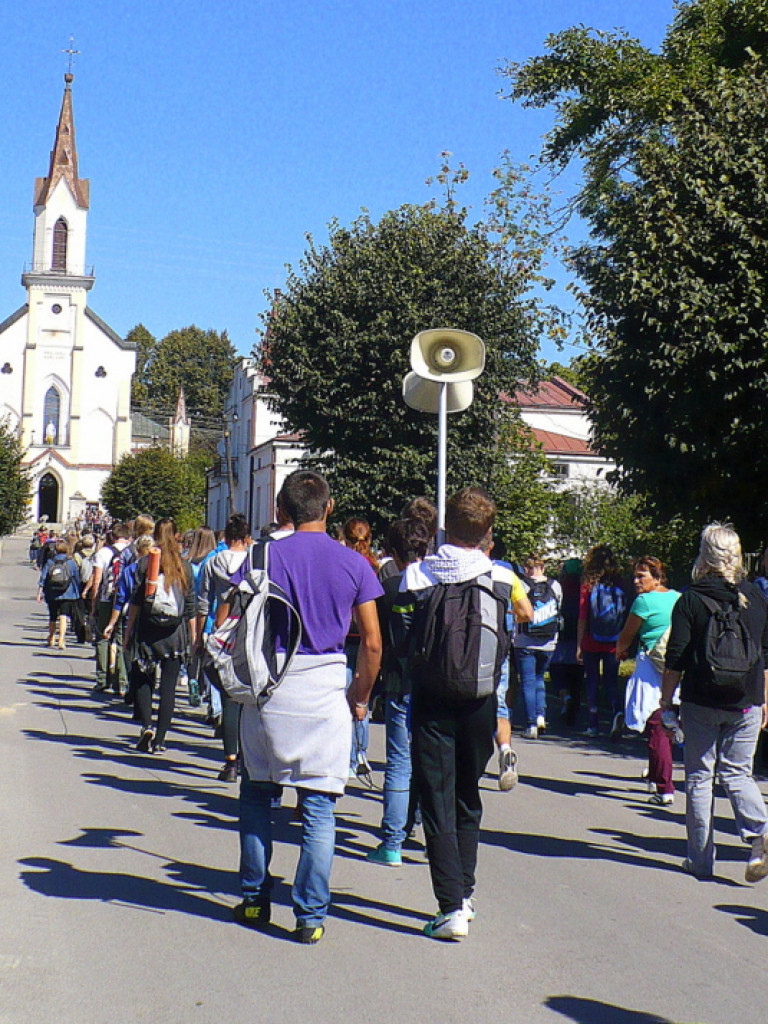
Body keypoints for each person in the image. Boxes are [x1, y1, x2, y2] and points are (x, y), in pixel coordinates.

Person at [234, 470, 382, 943]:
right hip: (324, 688)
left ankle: (256, 899)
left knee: (258, 794)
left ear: (281, 511)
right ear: (330, 507)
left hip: (270, 685)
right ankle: (310, 916)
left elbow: (235, 617)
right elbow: (373, 644)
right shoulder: (355, 564)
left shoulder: (263, 556)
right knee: (319, 808)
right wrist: (358, 696)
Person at [395, 487, 514, 941]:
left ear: (446, 524)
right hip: (481, 699)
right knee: (468, 796)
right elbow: (506, 638)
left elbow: (402, 642)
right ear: (486, 532)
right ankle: (465, 892)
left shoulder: (418, 576)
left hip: (431, 701)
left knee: (436, 801)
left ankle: (450, 907)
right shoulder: (500, 578)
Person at [660, 523, 768, 881]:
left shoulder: (690, 599)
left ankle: (701, 860)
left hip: (701, 700)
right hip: (747, 700)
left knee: (700, 777)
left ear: (704, 555)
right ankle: (759, 835)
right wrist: (764, 698)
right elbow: (764, 654)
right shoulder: (755, 596)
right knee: (738, 771)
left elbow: (676, 657)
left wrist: (665, 702)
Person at [366, 517, 430, 866]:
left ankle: (392, 842)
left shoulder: (388, 587)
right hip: (434, 684)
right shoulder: (438, 585)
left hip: (397, 680)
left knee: (399, 762)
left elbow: (377, 642)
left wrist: (367, 689)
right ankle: (424, 828)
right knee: (430, 759)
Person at [123, 518, 197, 754]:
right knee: (168, 688)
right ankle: (161, 739)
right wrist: (194, 637)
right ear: (176, 536)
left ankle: (147, 725)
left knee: (145, 679)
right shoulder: (183, 566)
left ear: (155, 535)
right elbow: (190, 605)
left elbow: (135, 600)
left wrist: (127, 633)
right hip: (174, 633)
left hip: (147, 628)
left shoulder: (146, 562)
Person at [615, 557, 681, 805]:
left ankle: (665, 787)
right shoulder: (677, 597)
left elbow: (627, 635)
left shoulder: (643, 602)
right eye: (635, 576)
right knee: (667, 724)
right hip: (674, 669)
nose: (636, 581)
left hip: (651, 669)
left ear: (657, 577)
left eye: (642, 575)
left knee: (657, 726)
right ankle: (655, 776)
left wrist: (620, 651)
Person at [196, 514, 253, 781]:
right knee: (250, 698)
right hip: (251, 632)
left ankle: (230, 761)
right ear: (246, 537)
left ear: (227, 537)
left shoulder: (213, 562)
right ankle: (248, 758)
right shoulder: (256, 562)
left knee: (230, 696)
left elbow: (203, 601)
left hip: (221, 631)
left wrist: (199, 636)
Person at [479, 534, 532, 787]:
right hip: (498, 647)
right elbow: (527, 613)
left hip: (467, 648)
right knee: (499, 704)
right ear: (491, 547)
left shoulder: (458, 570)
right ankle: (505, 750)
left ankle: (473, 762)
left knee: (472, 703)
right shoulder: (506, 575)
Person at [341, 517, 380, 780]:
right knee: (361, 696)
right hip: (366, 636)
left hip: (346, 637)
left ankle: (348, 754)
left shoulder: (342, 563)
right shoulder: (374, 567)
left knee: (345, 697)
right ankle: (361, 753)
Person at [577, 544, 629, 738]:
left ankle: (593, 724)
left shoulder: (588, 584)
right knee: (611, 681)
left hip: (591, 639)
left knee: (591, 680)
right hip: (613, 641)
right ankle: (616, 712)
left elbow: (583, 617)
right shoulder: (620, 583)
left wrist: (579, 644)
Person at [515, 553, 562, 739]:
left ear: (526, 568)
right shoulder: (555, 586)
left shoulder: (522, 585)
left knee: (527, 681)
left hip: (525, 640)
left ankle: (531, 724)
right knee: (539, 678)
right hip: (549, 641)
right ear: (543, 567)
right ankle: (541, 714)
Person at [87, 523, 131, 695]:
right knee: (121, 640)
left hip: (107, 599)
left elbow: (97, 580)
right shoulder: (131, 552)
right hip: (126, 601)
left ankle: (102, 679)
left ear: (112, 536)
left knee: (103, 638)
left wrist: (93, 603)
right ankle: (122, 681)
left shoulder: (103, 553)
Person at [549, 558, 584, 727]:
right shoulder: (585, 588)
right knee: (576, 674)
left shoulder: (559, 586)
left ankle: (564, 697)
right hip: (579, 635)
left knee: (557, 669)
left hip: (561, 634)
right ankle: (574, 708)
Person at [37, 540, 81, 648]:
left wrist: (40, 592)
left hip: (52, 592)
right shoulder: (71, 562)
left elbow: (43, 577)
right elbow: (76, 578)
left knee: (52, 616)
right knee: (63, 615)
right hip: (68, 592)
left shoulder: (50, 561)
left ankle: (51, 637)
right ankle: (61, 639)